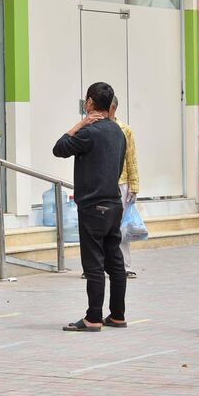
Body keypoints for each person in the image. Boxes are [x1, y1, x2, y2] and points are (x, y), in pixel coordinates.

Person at [54, 82, 127, 332]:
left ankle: (93, 317)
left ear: (90, 103)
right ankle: (117, 315)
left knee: (94, 263)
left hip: (93, 206)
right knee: (115, 261)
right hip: (114, 203)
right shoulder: (118, 131)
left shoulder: (89, 132)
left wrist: (79, 125)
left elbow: (59, 148)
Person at [110, 95, 140, 279]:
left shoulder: (124, 130)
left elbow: (132, 158)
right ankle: (95, 266)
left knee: (122, 227)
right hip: (101, 184)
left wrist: (134, 186)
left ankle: (125, 265)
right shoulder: (91, 128)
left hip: (121, 183)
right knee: (100, 228)